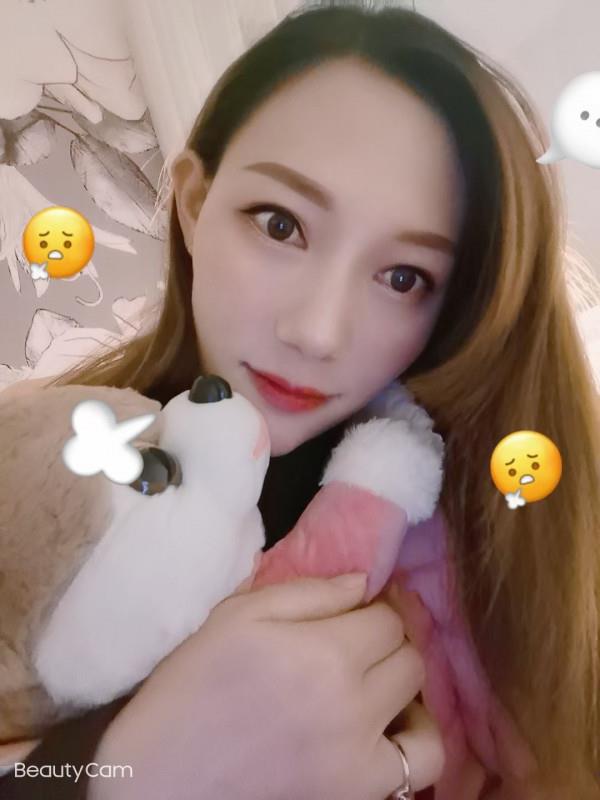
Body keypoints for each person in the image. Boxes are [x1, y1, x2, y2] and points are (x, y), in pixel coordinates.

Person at [1, 1, 599, 798]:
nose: (317, 331)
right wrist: (129, 774)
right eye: (280, 225)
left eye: (403, 277)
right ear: (194, 203)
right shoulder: (38, 471)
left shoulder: (514, 550)